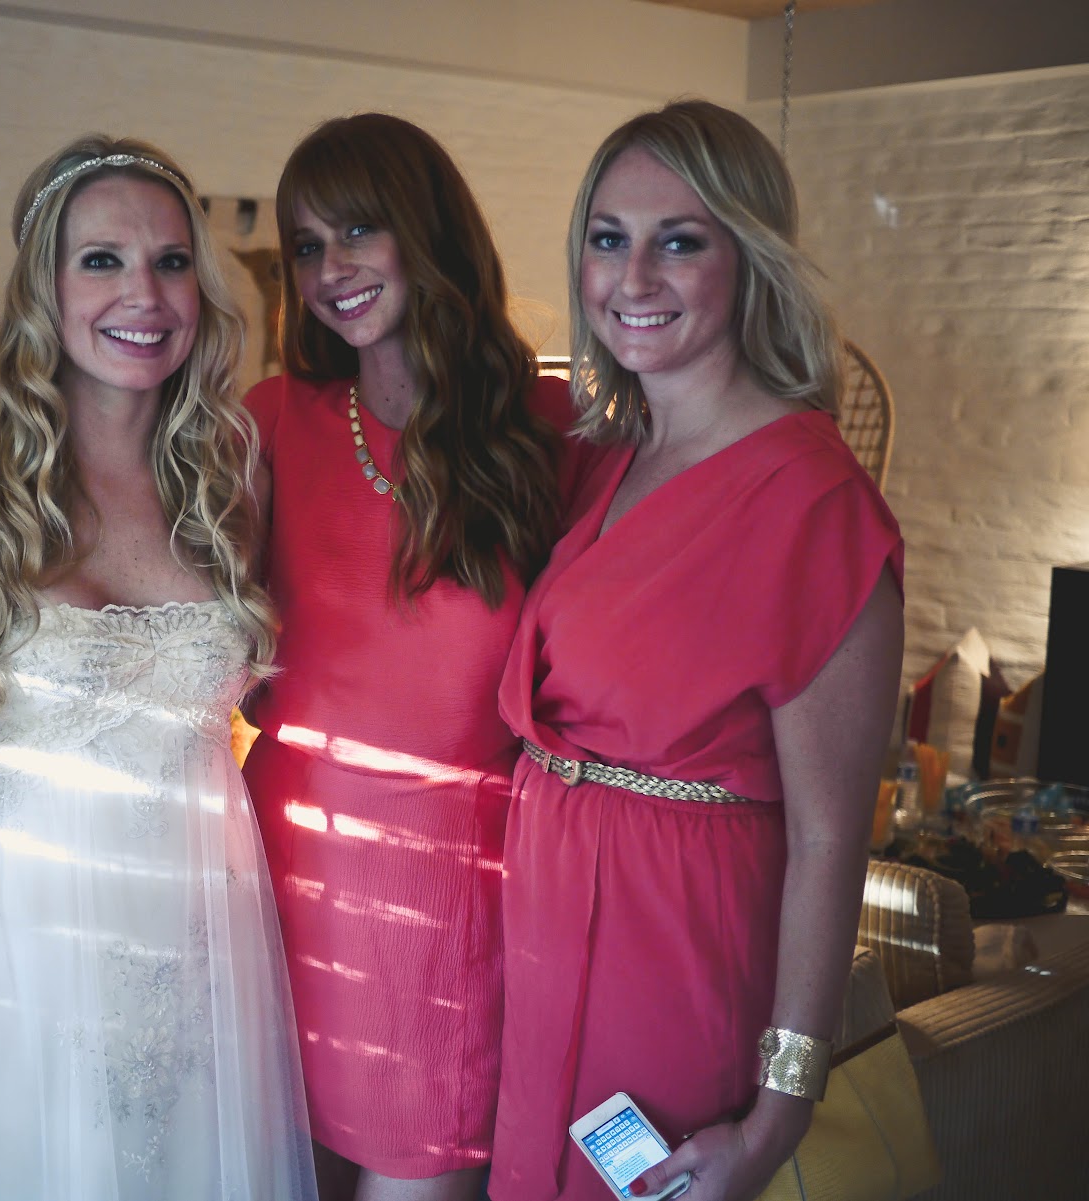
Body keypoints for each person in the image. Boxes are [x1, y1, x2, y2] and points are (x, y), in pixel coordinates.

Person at [0, 135, 317, 1201]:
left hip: (205, 934)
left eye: (170, 262)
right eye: (102, 260)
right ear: (45, 285)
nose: (144, 295)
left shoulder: (232, 478)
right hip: (34, 940)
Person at [491, 100, 904, 1201]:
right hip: (543, 933)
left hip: (674, 951)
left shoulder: (813, 500)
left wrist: (779, 1113)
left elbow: (829, 838)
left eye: (678, 242)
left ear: (749, 258)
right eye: (608, 238)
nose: (633, 278)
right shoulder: (604, 455)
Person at [241, 113, 575, 1201]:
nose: (329, 269)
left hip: (454, 897)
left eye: (358, 230)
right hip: (282, 866)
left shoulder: (549, 429)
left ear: (427, 231)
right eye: (306, 245)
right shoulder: (271, 420)